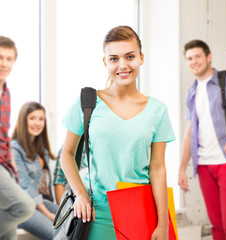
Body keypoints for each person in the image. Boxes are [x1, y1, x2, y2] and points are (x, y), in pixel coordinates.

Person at [60, 25, 175, 240]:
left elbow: (158, 168)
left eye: (129, 56)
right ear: (105, 62)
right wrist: (81, 195)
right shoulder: (88, 102)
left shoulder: (158, 110)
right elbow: (66, 155)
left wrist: (163, 223)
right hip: (96, 213)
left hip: (141, 211)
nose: (122, 65)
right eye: (114, 59)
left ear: (141, 58)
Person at [178, 39, 226, 240]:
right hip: (204, 165)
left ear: (208, 57)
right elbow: (190, 132)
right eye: (189, 58)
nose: (194, 61)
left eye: (197, 56)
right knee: (216, 225)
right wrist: (181, 168)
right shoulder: (192, 92)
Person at [0, 36, 35, 240]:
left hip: (6, 166)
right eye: (0, 57)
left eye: (8, 58)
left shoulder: (7, 93)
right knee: (24, 207)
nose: (4, 63)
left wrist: (12, 167)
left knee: (9, 235)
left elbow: (4, 136)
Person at [11, 101, 58, 240]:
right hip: (18, 207)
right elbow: (26, 187)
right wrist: (48, 214)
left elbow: (40, 187)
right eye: (32, 118)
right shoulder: (14, 149)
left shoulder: (40, 150)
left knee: (73, 219)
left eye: (41, 119)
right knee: (56, 234)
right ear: (23, 120)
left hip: (36, 201)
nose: (37, 123)